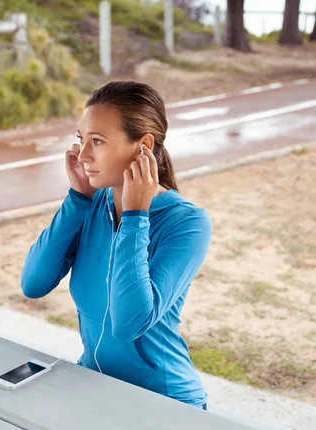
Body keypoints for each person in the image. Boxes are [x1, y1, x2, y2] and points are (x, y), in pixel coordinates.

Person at [20, 80, 212, 410]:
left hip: (164, 405)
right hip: (95, 388)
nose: (82, 155)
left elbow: (129, 323)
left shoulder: (186, 224)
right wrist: (77, 200)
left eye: (97, 141)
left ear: (143, 146)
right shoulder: (92, 205)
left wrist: (136, 216)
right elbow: (33, 284)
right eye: (81, 139)